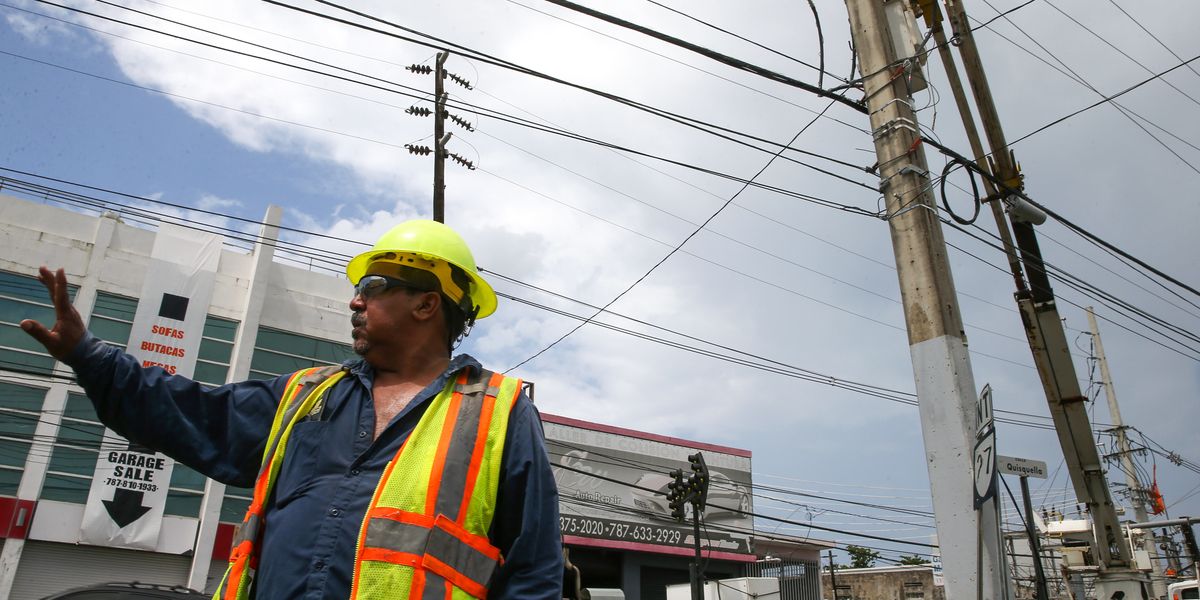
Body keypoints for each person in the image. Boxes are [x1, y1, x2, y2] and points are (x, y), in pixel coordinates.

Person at [21, 219, 564, 599]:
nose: (355, 300)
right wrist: (89, 357)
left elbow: (533, 573)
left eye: (374, 287)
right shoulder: (306, 394)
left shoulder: (498, 412)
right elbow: (193, 415)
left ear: (427, 303)